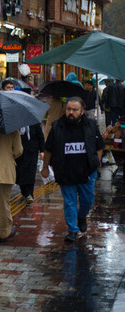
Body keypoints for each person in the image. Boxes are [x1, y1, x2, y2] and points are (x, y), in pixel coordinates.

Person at [41, 97, 104, 242]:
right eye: (69, 109)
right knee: (69, 202)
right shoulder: (58, 126)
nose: (71, 112)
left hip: (87, 170)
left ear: (82, 111)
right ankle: (72, 230)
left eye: (75, 110)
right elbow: (49, 148)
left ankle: (81, 217)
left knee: (88, 200)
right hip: (65, 170)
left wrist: (95, 162)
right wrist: (45, 167)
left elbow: (99, 146)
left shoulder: (91, 125)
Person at [15, 123, 45, 203]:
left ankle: (30, 194)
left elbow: (40, 137)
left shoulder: (34, 123)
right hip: (19, 153)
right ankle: (24, 193)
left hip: (32, 152)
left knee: (30, 172)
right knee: (20, 173)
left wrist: (42, 150)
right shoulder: (17, 124)